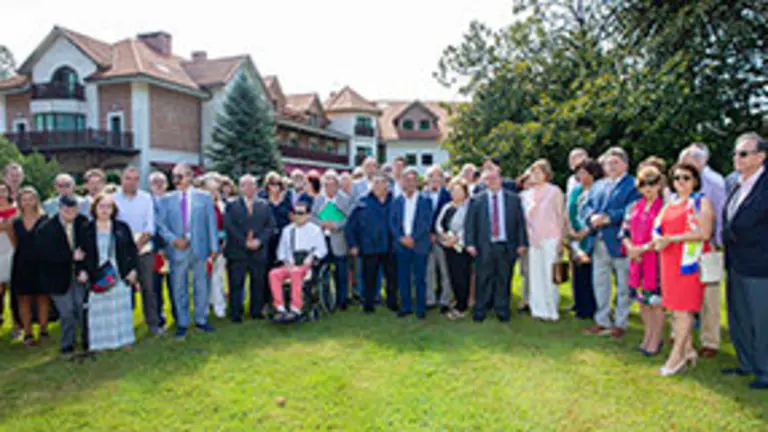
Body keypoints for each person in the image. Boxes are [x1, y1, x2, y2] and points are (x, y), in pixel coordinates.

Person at [654, 162, 714, 376]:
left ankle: (676, 355)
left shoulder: (700, 202)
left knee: (683, 309)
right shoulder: (670, 203)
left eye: (686, 178)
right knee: (674, 308)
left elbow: (705, 233)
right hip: (669, 260)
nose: (681, 182)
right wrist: (660, 239)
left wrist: (673, 238)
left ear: (695, 181)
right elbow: (659, 229)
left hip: (688, 263)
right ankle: (688, 350)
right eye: (677, 177)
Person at [721, 132, 768, 390]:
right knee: (739, 315)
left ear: (761, 157)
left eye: (743, 153)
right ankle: (746, 362)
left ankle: (765, 370)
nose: (736, 158)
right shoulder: (735, 183)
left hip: (760, 264)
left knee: (761, 320)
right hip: (735, 261)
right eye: (735, 153)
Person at [156, 163, 219, 340]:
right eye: (174, 176)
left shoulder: (204, 198)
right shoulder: (166, 199)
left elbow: (211, 223)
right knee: (178, 287)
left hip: (200, 248)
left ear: (190, 177)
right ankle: (182, 323)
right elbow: (160, 225)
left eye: (180, 176)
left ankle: (201, 319)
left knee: (201, 285)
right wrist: (173, 240)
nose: (176, 180)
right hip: (177, 249)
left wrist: (214, 248)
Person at [583, 147, 640, 338]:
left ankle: (620, 322)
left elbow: (632, 210)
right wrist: (591, 217)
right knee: (600, 283)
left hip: (620, 241)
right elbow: (587, 205)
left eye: (616, 162)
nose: (611, 166)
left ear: (625, 164)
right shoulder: (598, 185)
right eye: (608, 163)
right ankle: (602, 320)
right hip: (599, 240)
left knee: (624, 284)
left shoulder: (633, 185)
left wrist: (608, 217)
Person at [678, 144, 727, 358]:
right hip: (683, 245)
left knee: (710, 296)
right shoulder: (680, 182)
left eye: (689, 160)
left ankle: (710, 341)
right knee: (683, 292)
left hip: (707, 246)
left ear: (701, 161)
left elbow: (722, 213)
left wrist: (716, 243)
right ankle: (681, 334)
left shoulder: (714, 182)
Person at [465, 165, 528, 322]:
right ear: (485, 181)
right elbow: (470, 223)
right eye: (488, 179)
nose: (492, 181)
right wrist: (470, 243)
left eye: (495, 178)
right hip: (484, 245)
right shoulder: (476, 200)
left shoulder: (513, 198)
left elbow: (520, 223)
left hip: (506, 245)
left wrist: (522, 243)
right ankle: (480, 310)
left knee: (504, 278)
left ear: (501, 179)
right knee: (483, 278)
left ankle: (502, 309)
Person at [81, 194, 139, 352]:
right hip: (97, 273)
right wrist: (82, 271)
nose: (105, 210)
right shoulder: (87, 228)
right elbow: (81, 253)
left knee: (121, 308)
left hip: (120, 272)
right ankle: (100, 343)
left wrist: (133, 270)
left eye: (108, 207)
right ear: (95, 209)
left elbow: (132, 251)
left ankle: (124, 340)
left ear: (114, 210)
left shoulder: (122, 227)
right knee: (99, 309)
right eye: (101, 206)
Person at [620, 165, 665, 356]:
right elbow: (624, 231)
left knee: (655, 303)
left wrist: (643, 248)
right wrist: (631, 248)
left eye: (653, 183)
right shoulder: (635, 206)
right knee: (642, 302)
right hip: (636, 261)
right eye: (644, 184)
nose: (648, 188)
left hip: (655, 262)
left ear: (659, 185)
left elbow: (664, 235)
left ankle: (656, 339)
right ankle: (647, 336)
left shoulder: (664, 207)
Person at [113, 166, 162, 336]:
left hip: (144, 248)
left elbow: (150, 225)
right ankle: (124, 327)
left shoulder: (146, 198)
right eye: (128, 178)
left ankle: (153, 325)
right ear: (121, 180)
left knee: (149, 288)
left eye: (135, 179)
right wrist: (128, 248)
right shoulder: (113, 199)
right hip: (121, 250)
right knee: (124, 289)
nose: (132, 182)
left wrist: (139, 244)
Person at [37, 195, 88, 357]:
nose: (70, 213)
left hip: (80, 274)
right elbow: (45, 255)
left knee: (82, 307)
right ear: (59, 209)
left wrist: (84, 269)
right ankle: (67, 345)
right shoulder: (46, 229)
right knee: (67, 312)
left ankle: (88, 341)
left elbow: (89, 248)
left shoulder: (83, 222)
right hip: (57, 276)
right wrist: (70, 256)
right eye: (66, 210)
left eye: (73, 210)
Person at [224, 174, 275, 322]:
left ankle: (256, 311)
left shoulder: (264, 205)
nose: (250, 188)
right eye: (246, 185)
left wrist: (259, 241)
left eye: (253, 185)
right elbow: (229, 226)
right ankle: (236, 313)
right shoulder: (231, 205)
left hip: (258, 252)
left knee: (258, 282)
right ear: (240, 188)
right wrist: (244, 242)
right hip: (237, 251)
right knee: (236, 283)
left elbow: (270, 226)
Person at [345, 171, 398, 313]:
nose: (377, 185)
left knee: (392, 277)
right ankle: (368, 304)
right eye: (375, 182)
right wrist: (353, 244)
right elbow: (350, 226)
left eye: (381, 182)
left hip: (390, 246)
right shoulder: (362, 202)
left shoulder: (395, 201)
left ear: (387, 185)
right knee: (369, 278)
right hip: (369, 247)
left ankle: (392, 302)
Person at [521, 159, 565, 322]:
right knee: (535, 275)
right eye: (533, 172)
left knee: (550, 274)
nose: (535, 175)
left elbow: (561, 216)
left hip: (550, 237)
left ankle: (552, 310)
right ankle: (538, 309)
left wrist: (561, 239)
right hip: (533, 239)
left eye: (538, 172)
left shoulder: (554, 191)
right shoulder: (526, 195)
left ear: (546, 174)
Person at [269, 201, 327, 320]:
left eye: (301, 213)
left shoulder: (315, 230)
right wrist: (286, 262)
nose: (297, 215)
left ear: (308, 215)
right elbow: (281, 251)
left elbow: (322, 249)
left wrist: (311, 257)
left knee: (296, 273)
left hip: (306, 265)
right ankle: (279, 307)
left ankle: (296, 308)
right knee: (273, 273)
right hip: (290, 264)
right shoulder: (287, 230)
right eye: (295, 212)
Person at [390, 168, 434, 319]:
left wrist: (413, 238)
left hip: (419, 244)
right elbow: (392, 223)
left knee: (420, 278)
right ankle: (406, 307)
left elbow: (426, 223)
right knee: (403, 278)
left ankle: (420, 309)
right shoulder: (397, 201)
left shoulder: (425, 200)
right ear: (402, 182)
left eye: (412, 180)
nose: (409, 183)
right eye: (406, 180)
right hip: (401, 245)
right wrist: (401, 238)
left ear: (417, 182)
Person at [10, 187, 48, 346]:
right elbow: (14, 242)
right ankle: (28, 332)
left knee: (42, 297)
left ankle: (43, 329)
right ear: (19, 202)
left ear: (36, 200)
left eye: (30, 199)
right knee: (23, 298)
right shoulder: (15, 222)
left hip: (42, 263)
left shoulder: (45, 219)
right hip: (22, 263)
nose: (27, 202)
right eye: (24, 199)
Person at [311, 171, 352, 310]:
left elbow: (349, 219)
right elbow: (312, 217)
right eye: (326, 185)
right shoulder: (318, 200)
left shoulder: (345, 199)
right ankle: (326, 300)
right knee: (324, 271)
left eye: (332, 185)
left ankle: (343, 300)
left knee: (341, 271)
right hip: (323, 240)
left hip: (338, 239)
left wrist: (336, 225)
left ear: (337, 185)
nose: (329, 188)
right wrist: (321, 224)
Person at [567, 159, 601, 320]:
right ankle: (579, 306)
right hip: (575, 237)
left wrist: (585, 231)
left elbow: (598, 212)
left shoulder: (598, 190)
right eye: (578, 173)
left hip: (591, 237)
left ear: (592, 173)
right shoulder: (576, 190)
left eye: (583, 173)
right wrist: (571, 230)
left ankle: (590, 308)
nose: (579, 176)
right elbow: (570, 209)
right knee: (577, 272)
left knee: (590, 274)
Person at [436, 178, 472, 319]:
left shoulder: (468, 207)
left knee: (462, 276)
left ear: (465, 192)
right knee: (452, 275)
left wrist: (456, 239)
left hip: (461, 247)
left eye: (459, 191)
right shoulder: (447, 207)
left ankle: (462, 307)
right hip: (447, 247)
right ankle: (457, 300)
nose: (456, 193)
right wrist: (444, 236)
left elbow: (468, 226)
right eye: (453, 191)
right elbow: (439, 224)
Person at [261, 171, 294, 311]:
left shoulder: (287, 201)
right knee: (265, 271)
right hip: (267, 241)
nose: (275, 187)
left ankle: (282, 301)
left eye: (278, 184)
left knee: (282, 270)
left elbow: (292, 219)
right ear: (267, 186)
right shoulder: (262, 201)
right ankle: (266, 301)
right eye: (272, 184)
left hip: (283, 240)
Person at [423, 165, 453, 312]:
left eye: (438, 178)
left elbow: (450, 217)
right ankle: (430, 299)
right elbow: (420, 218)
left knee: (445, 269)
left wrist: (440, 233)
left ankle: (445, 300)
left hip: (443, 238)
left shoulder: (448, 195)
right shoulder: (422, 195)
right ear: (427, 180)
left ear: (442, 179)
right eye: (432, 178)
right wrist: (429, 233)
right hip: (426, 239)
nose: (435, 181)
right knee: (429, 270)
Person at [149, 171, 173, 327]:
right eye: (155, 182)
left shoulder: (174, 200)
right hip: (153, 250)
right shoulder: (145, 202)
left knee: (176, 285)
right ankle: (158, 317)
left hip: (173, 249)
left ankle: (179, 315)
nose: (158, 184)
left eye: (161, 181)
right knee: (154, 287)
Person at [203, 174, 227, 319]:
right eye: (210, 190)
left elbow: (225, 226)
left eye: (216, 190)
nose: (213, 193)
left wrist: (222, 245)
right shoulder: (200, 206)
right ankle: (204, 306)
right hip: (205, 248)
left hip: (221, 246)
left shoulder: (222, 205)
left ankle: (219, 305)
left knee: (218, 277)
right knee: (204, 278)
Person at [0, 180, 18, 336]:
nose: (1, 194)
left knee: (15, 291)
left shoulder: (16, 209)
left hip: (13, 251)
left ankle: (16, 324)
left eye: (3, 190)